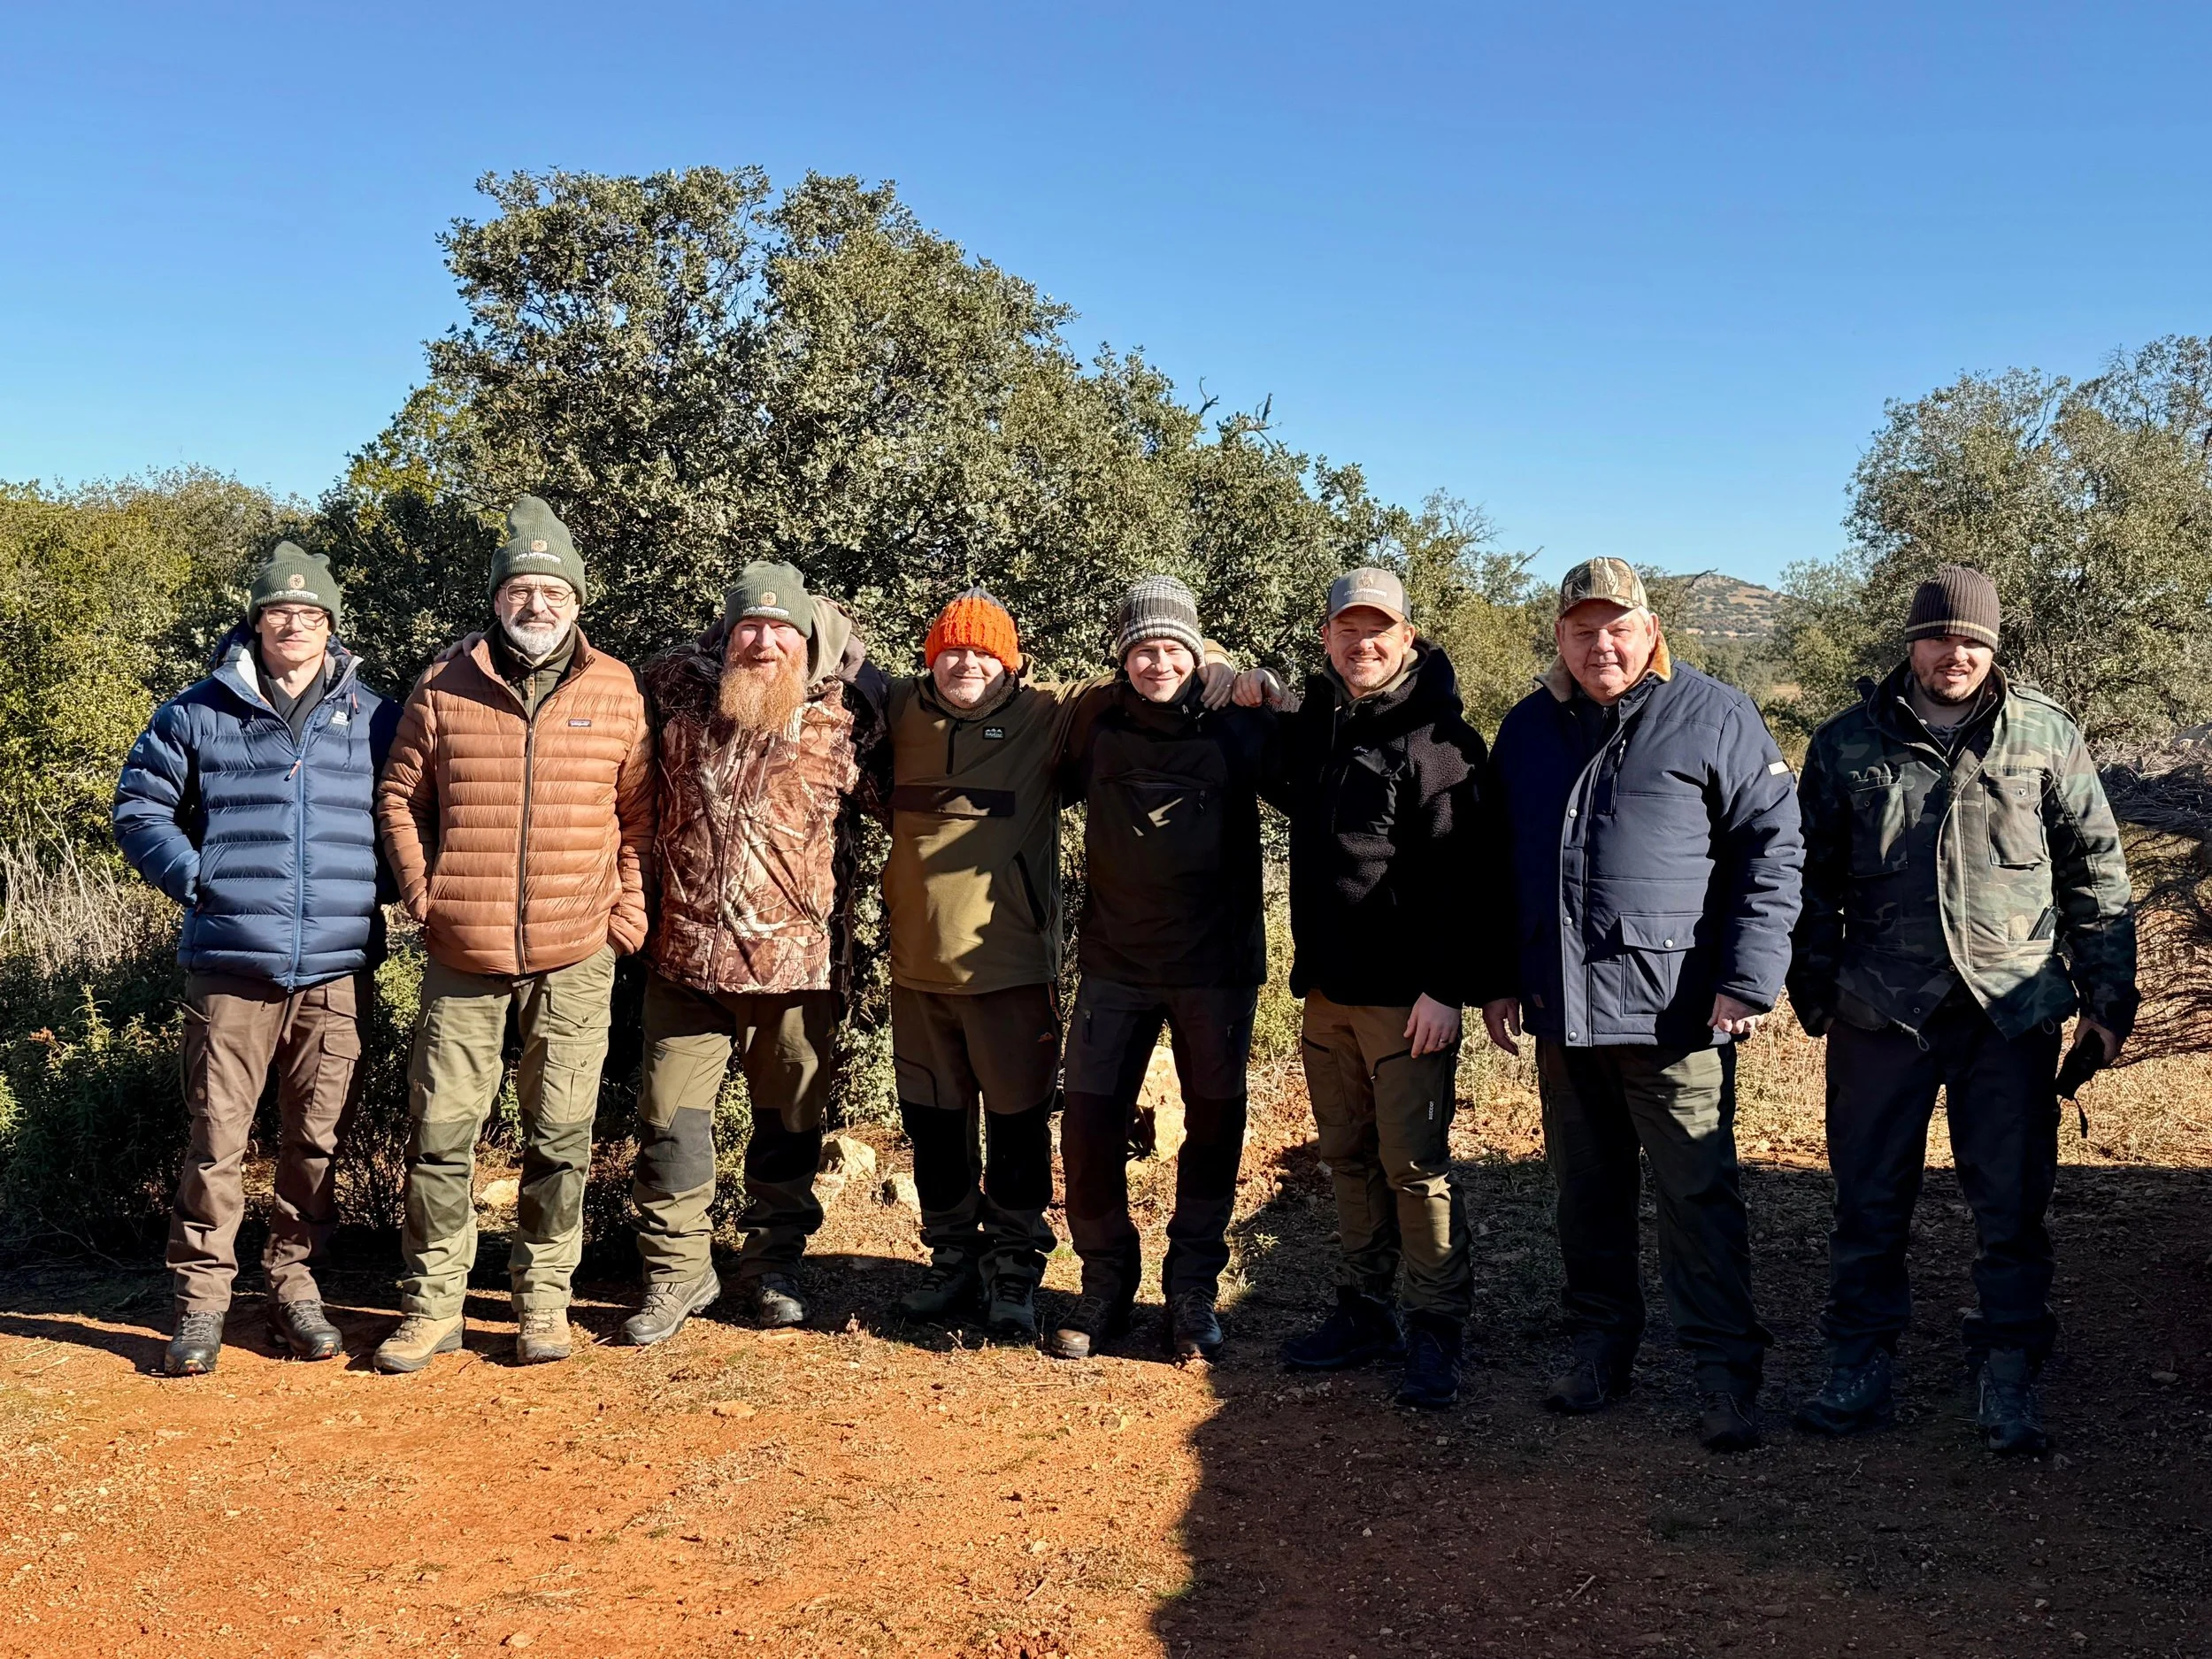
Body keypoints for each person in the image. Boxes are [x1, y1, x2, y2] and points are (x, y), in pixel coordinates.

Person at [1788, 565, 2134, 1455]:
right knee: (1867, 1198)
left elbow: (2095, 871)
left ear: (1993, 647)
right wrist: (1814, 985)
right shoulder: (1846, 744)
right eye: (1940, 636)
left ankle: (2007, 1365)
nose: (1956, 653)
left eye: (1973, 639)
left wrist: (2107, 996)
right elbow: (1806, 878)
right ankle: (1857, 1362)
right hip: (1881, 1008)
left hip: (2008, 1010)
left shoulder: (2043, 735)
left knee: (2011, 1201)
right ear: (1911, 643)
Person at [1484, 557, 1801, 1452]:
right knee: (1585, 1193)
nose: (1600, 645)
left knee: (1696, 1195)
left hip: (1676, 1012)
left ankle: (1724, 1372)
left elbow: (1773, 850)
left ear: (1650, 629)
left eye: (1616, 626)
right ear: (1558, 636)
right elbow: (1500, 865)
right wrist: (1503, 977)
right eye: (1581, 629)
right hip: (1563, 1007)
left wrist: (1748, 975)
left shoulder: (1713, 713)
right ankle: (1597, 1350)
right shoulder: (1531, 728)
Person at [876, 586, 1237, 1344]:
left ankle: (1014, 1270)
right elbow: (829, 651)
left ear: (1010, 660)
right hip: (915, 970)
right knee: (935, 1127)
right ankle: (950, 1260)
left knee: (1017, 1128)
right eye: (951, 651)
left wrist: (1236, 669)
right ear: (929, 658)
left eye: (983, 651)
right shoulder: (898, 709)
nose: (965, 663)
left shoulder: (1049, 711)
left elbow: (1160, 666)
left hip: (1009, 967)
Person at [372, 496, 653, 1372]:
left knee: (561, 1137)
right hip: (464, 953)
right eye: (520, 589)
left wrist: (626, 916)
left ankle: (542, 1302)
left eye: (552, 590)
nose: (537, 604)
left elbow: (639, 815)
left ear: (577, 600)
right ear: (497, 598)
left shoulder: (613, 689)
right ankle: (431, 1307)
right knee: (440, 1134)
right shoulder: (443, 684)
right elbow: (398, 800)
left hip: (576, 953)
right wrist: (423, 892)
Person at [114, 543, 399, 1376]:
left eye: (311, 614)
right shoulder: (200, 711)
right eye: (281, 611)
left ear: (332, 625)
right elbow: (139, 806)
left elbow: (408, 811)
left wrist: (373, 888)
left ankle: (293, 1286)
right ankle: (201, 1305)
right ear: (257, 620)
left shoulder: (376, 717)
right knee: (216, 1140)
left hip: (337, 965)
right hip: (231, 965)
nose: (295, 624)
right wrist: (199, 878)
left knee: (315, 1138)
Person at [621, 563, 887, 1341]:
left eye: (782, 627)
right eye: (749, 626)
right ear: (726, 631)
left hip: (798, 970)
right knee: (671, 1120)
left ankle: (773, 1266)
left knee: (789, 1123)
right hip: (683, 960)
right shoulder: (676, 686)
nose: (764, 641)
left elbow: (924, 791)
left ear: (807, 636)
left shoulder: (851, 714)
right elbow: (578, 685)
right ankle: (676, 1273)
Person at [1256, 568, 1502, 1409]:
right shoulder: (1323, 723)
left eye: (1378, 631)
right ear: (1326, 639)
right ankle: (1364, 1309)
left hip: (1407, 1001)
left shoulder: (1440, 740)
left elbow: (1468, 879)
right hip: (1327, 992)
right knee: (1346, 1157)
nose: (1362, 644)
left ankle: (1436, 1327)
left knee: (1415, 1166)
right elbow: (1267, 764)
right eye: (1346, 630)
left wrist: (1446, 988)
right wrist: (1231, 675)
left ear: (1408, 638)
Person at [1048, 576, 1275, 1364]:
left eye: (1173, 646)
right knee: (1087, 1124)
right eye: (1143, 647)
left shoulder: (1234, 723)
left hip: (1215, 969)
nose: (1157, 661)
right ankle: (1106, 1280)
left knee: (1213, 1126)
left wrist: (1265, 689)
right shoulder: (1093, 722)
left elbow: (1314, 777)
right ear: (1123, 655)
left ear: (1194, 651)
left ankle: (1191, 1291)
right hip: (1115, 963)